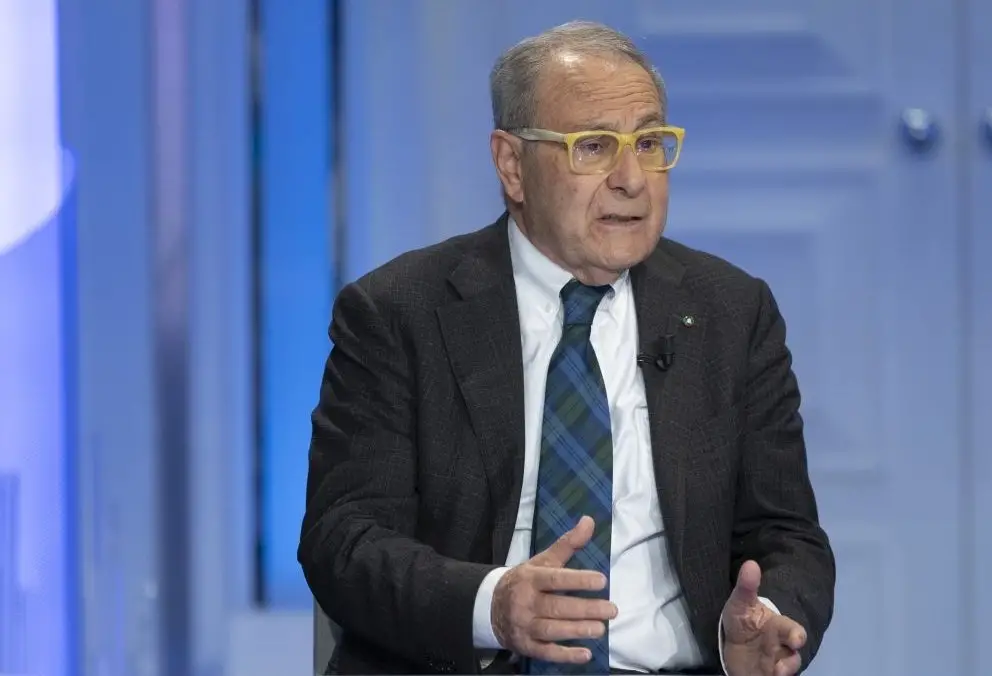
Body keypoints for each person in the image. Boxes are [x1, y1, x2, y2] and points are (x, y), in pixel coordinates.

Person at [298, 20, 835, 676]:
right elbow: (344, 540)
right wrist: (492, 605)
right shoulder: (398, 313)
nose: (632, 179)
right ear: (512, 166)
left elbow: (788, 535)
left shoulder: (731, 313)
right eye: (594, 146)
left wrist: (762, 620)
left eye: (649, 142)